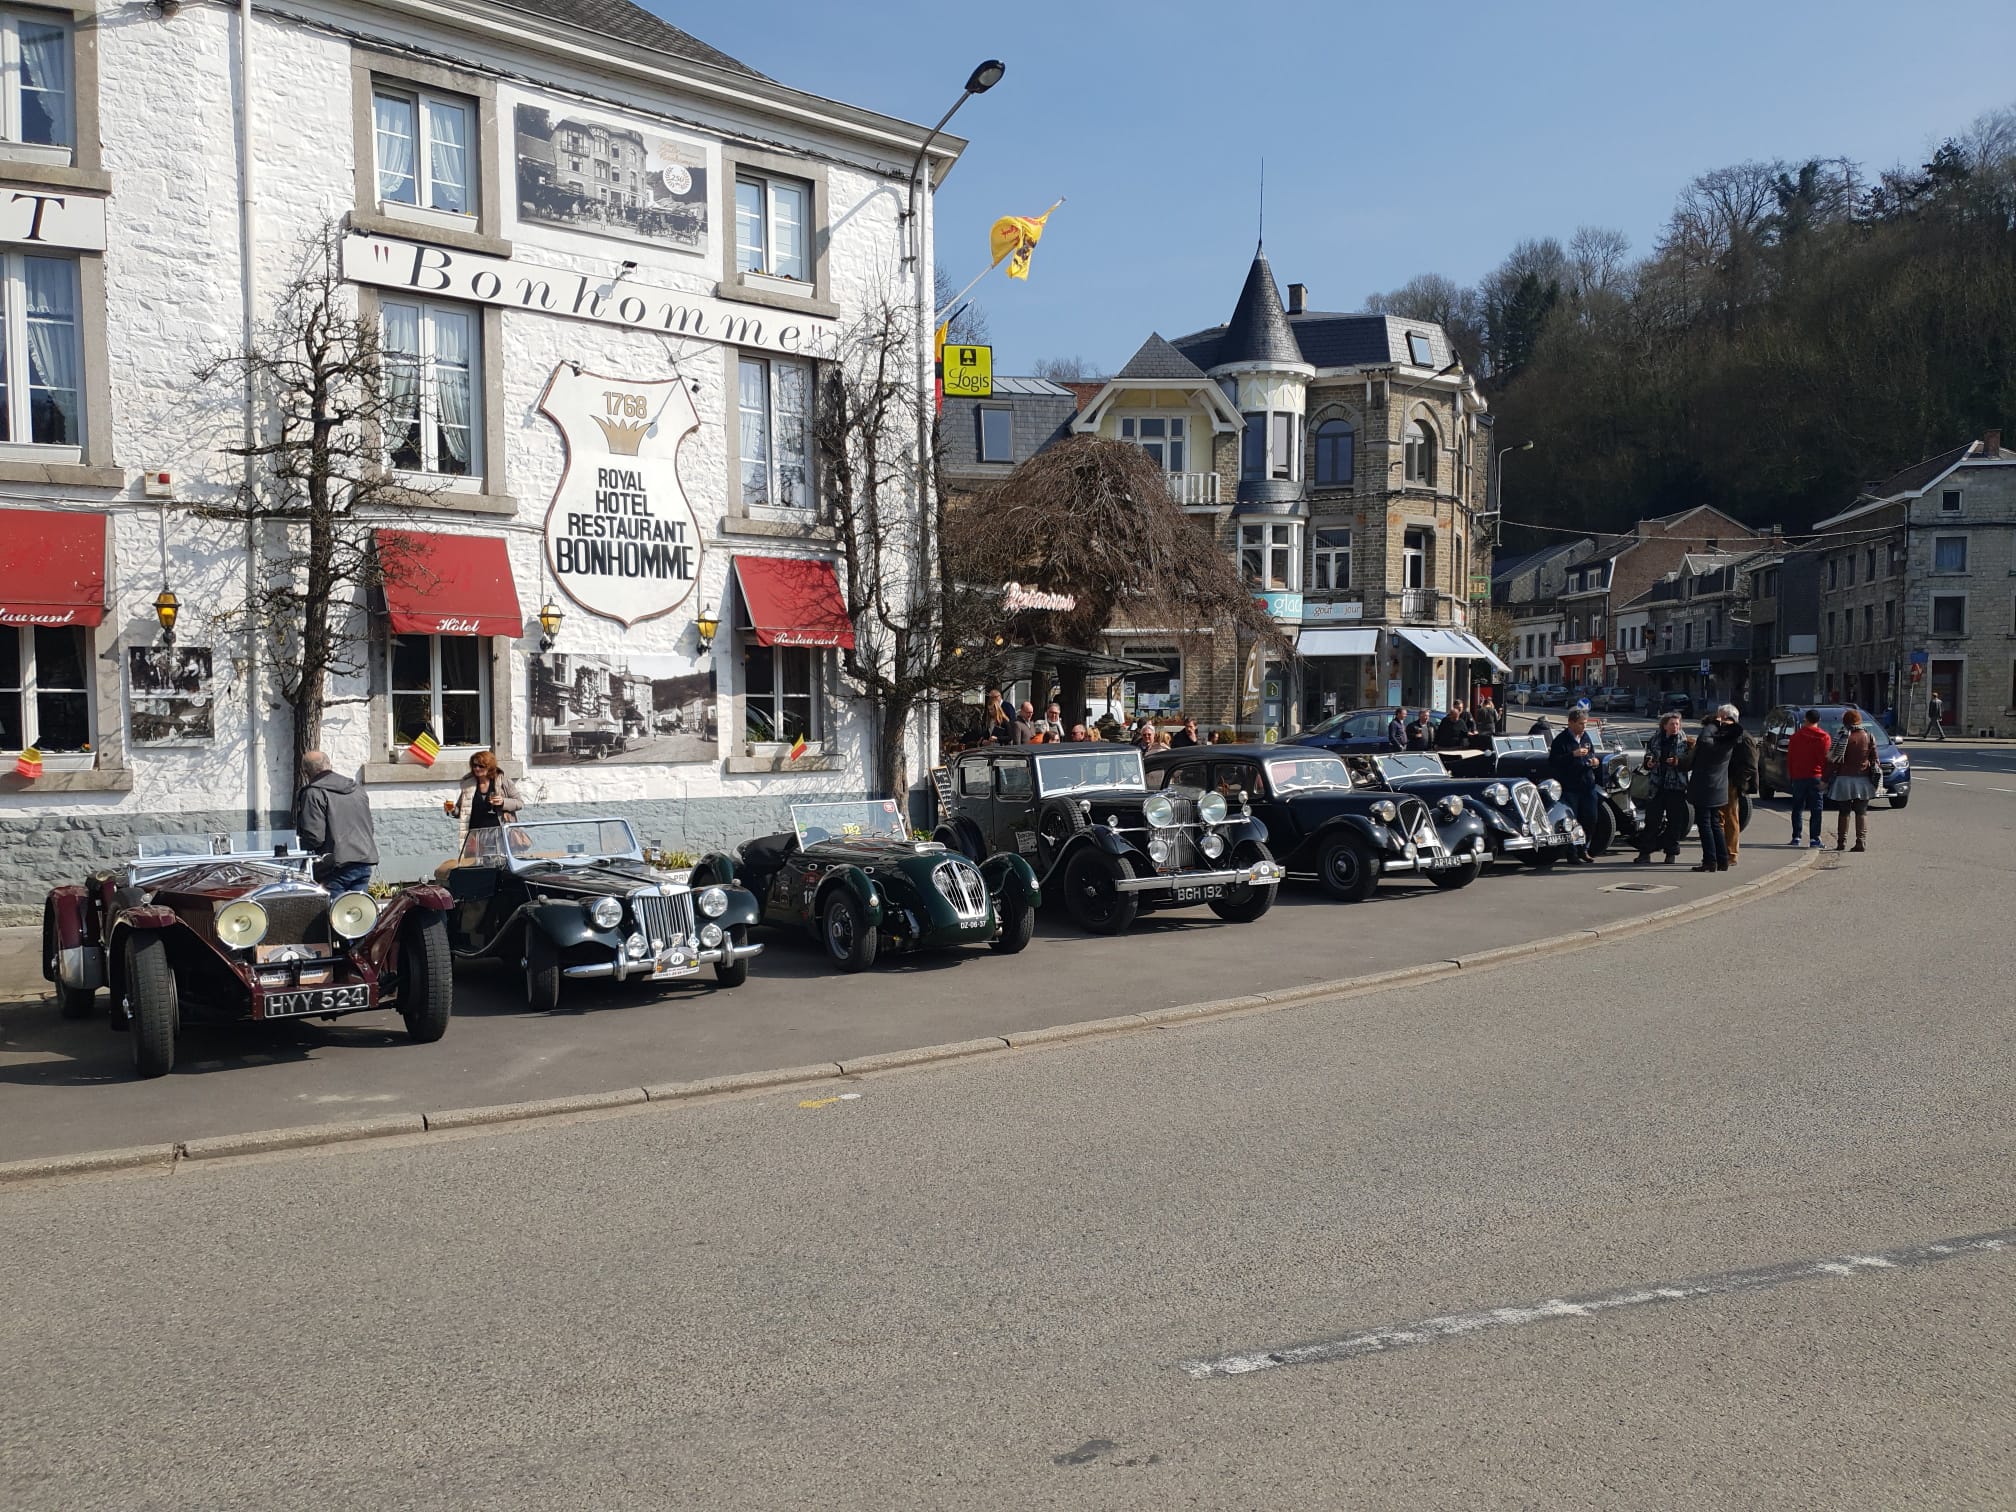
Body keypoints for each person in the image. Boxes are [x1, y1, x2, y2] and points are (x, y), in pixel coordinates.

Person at [295, 751, 379, 893]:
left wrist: (298, 848)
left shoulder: (314, 793)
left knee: (334, 913)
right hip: (364, 859)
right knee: (359, 912)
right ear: (329, 764)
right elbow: (369, 828)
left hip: (335, 866)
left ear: (305, 772)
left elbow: (314, 837)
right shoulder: (357, 789)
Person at [1685, 708, 1742, 872]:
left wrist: (1713, 723)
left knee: (1705, 825)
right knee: (1715, 823)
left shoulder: (1714, 743)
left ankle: (1710, 860)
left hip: (1705, 788)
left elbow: (1703, 739)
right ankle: (1722, 859)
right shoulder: (1728, 742)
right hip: (1718, 788)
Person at [1634, 711, 1691, 865]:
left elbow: (1689, 761)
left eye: (1678, 724)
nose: (1675, 727)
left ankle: (1670, 853)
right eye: (1672, 724)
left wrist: (1677, 762)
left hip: (1676, 786)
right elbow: (1648, 756)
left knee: (1675, 822)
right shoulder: (1655, 739)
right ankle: (1645, 853)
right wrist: (1649, 762)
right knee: (1652, 820)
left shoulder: (1685, 741)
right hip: (1657, 785)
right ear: (1665, 726)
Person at [1549, 708, 1603, 864]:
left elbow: (1591, 753)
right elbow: (1553, 761)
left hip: (1587, 785)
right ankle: (1572, 853)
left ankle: (1584, 848)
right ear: (1570, 723)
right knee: (1572, 821)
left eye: (1585, 724)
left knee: (1591, 818)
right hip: (1570, 786)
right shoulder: (1561, 740)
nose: (1583, 727)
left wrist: (1594, 761)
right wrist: (1572, 755)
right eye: (1580, 724)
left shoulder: (1586, 737)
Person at [1828, 708, 1880, 852]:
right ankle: (1860, 841)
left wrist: (1826, 778)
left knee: (1844, 811)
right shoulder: (1869, 736)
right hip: (1863, 779)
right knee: (1861, 811)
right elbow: (1875, 759)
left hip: (1843, 779)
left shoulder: (1841, 737)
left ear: (1845, 722)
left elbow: (1833, 760)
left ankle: (1841, 842)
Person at [448, 750, 524, 844]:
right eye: (474, 765)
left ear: (490, 767)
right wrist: (452, 810)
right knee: (473, 859)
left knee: (499, 858)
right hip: (474, 836)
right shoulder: (468, 784)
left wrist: (503, 802)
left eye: (481, 766)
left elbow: (520, 803)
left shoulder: (503, 781)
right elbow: (462, 811)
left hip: (499, 834)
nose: (477, 768)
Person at [1784, 709, 1830, 849]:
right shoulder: (1824, 737)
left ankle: (1796, 836)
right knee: (1816, 808)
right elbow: (1825, 759)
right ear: (1818, 720)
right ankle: (1814, 838)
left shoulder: (1796, 737)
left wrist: (1791, 774)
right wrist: (1826, 778)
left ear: (1806, 719)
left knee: (1797, 807)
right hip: (1816, 775)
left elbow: (1790, 758)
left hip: (1798, 775)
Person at [1721, 705, 1754, 865]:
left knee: (1731, 817)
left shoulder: (1743, 737)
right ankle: (1721, 852)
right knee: (1719, 818)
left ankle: (1731, 854)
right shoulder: (1724, 734)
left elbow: (1751, 764)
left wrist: (1739, 783)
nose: (1718, 720)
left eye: (1721, 717)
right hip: (1720, 780)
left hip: (1731, 781)